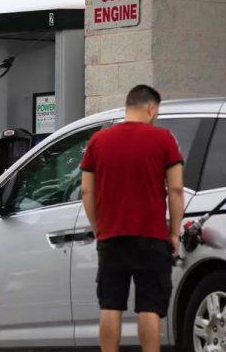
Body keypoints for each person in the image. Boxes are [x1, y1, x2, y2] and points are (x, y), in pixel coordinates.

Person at [80, 85, 185, 352]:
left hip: (111, 236)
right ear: (151, 109)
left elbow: (86, 191)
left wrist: (97, 227)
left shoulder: (98, 141)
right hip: (152, 236)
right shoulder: (164, 139)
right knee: (149, 307)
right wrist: (174, 233)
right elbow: (175, 189)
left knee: (111, 305)